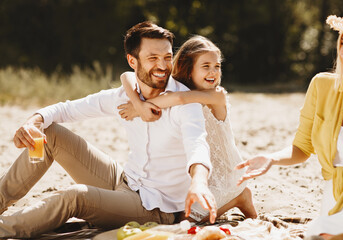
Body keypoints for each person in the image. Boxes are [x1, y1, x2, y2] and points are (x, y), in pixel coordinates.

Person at [0, 21, 217, 238]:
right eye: (152, 58)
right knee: (49, 132)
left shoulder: (185, 103)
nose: (162, 66)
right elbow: (66, 109)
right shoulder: (124, 97)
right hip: (123, 180)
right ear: (133, 61)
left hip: (154, 207)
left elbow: (197, 143)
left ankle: (4, 228)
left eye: (167, 57)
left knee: (76, 197)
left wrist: (198, 181)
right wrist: (32, 122)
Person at [236, 5, 343, 240]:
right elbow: (302, 148)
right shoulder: (322, 86)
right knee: (334, 234)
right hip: (338, 194)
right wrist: (272, 158)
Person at [117, 35, 257, 222]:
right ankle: (238, 196)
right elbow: (126, 76)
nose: (213, 72)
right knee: (176, 214)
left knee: (185, 220)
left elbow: (181, 99)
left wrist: (140, 107)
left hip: (226, 176)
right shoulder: (175, 88)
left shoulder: (217, 96)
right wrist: (137, 103)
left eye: (217, 66)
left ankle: (240, 195)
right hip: (198, 177)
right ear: (189, 70)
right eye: (206, 66)